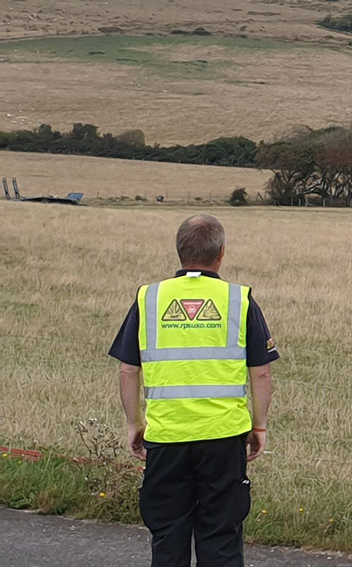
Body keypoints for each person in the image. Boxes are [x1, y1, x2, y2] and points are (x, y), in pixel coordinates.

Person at [109, 214, 278, 567]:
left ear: (179, 252)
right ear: (221, 253)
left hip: (167, 437)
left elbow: (128, 369)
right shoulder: (239, 300)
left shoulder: (149, 299)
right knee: (221, 537)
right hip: (224, 437)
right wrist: (259, 426)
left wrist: (133, 424)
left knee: (168, 536)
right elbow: (261, 375)